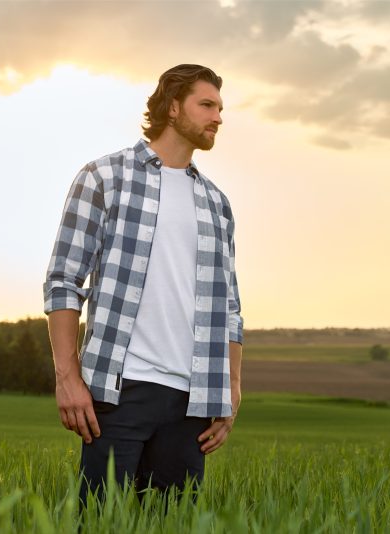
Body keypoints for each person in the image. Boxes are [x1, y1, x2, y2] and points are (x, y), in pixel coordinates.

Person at [43, 64, 244, 505]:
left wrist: (230, 389)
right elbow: (63, 281)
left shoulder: (216, 204)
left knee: (173, 524)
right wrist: (67, 376)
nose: (218, 117)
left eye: (220, 108)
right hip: (120, 391)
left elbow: (229, 308)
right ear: (173, 108)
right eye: (207, 105)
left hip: (192, 400)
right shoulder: (104, 177)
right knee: (100, 520)